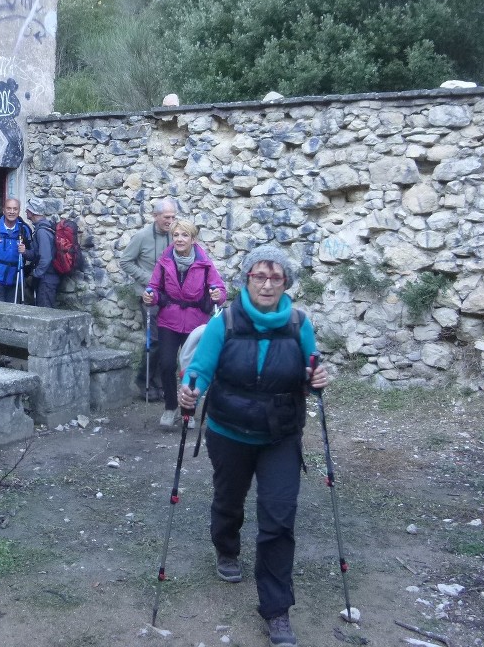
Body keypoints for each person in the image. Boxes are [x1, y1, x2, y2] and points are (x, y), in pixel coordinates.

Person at [178, 244, 330, 647]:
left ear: (285, 283)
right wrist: (189, 391)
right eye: (258, 276)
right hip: (229, 431)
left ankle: (276, 610)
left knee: (279, 519)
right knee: (229, 500)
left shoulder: (298, 323)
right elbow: (200, 369)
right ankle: (227, 549)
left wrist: (316, 377)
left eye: (275, 277)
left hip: (280, 434)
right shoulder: (224, 322)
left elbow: (311, 366)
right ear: (246, 279)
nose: (266, 284)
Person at [142, 219, 226, 427]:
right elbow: (154, 287)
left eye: (184, 235)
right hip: (168, 320)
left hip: (196, 322)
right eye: (176, 235)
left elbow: (219, 290)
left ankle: (189, 410)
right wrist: (149, 295)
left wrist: (218, 295)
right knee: (167, 364)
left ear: (193, 239)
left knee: (192, 368)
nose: (179, 239)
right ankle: (170, 407)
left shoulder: (204, 264)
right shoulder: (164, 262)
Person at [120, 197, 178, 400]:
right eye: (166, 217)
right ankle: (143, 381)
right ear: (155, 216)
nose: (170, 221)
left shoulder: (176, 235)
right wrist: (149, 279)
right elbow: (125, 261)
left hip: (171, 297)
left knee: (168, 341)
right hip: (149, 296)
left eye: (173, 217)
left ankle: (161, 384)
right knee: (154, 341)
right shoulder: (142, 236)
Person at [22, 196, 61, 308]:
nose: (25, 211)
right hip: (47, 278)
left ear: (32, 212)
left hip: (46, 280)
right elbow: (36, 254)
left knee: (45, 314)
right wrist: (25, 252)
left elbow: (45, 257)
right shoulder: (42, 229)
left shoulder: (42, 232)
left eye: (27, 209)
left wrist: (36, 274)